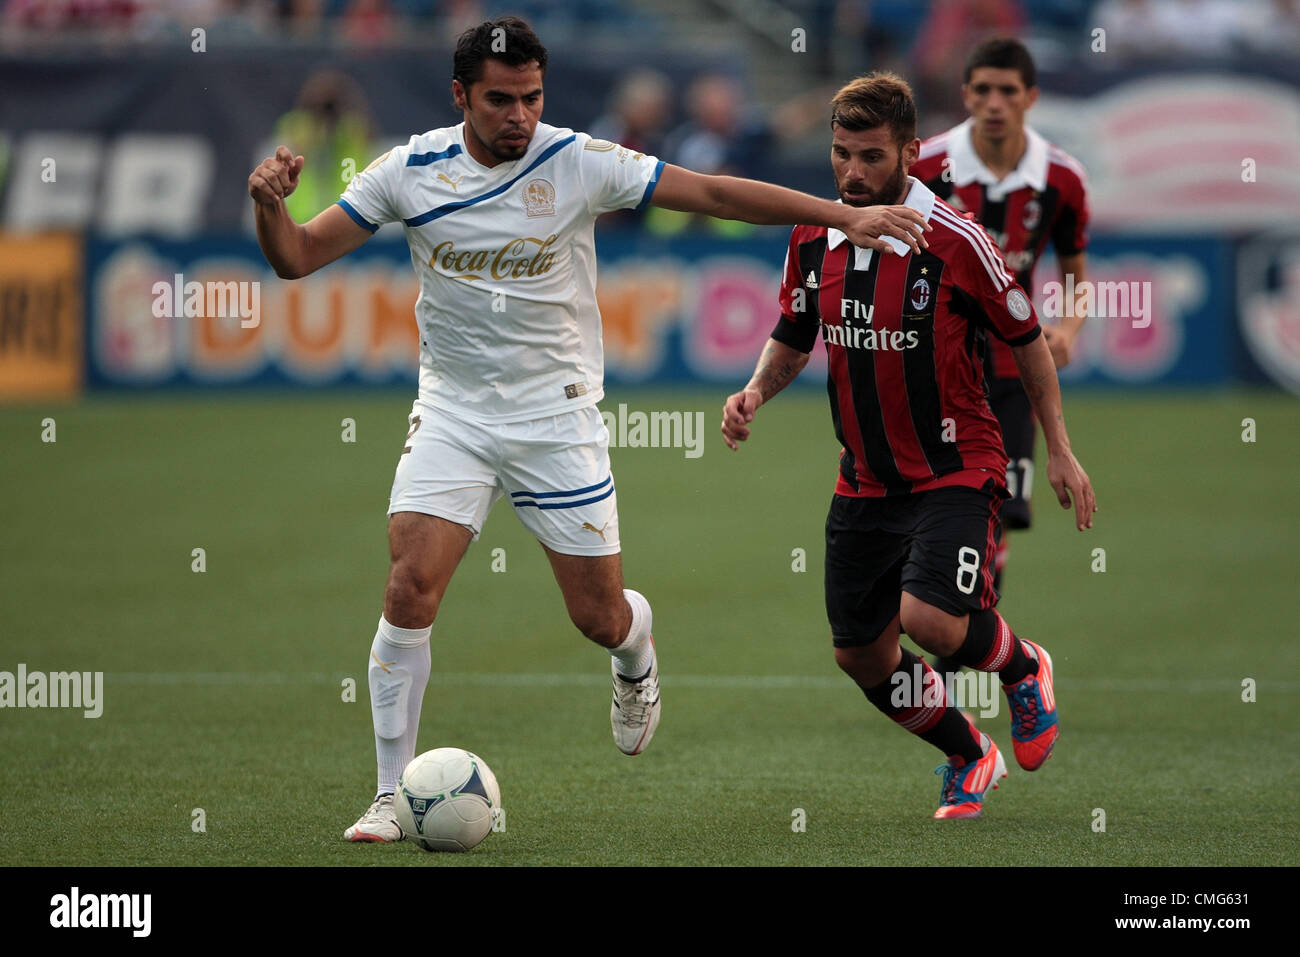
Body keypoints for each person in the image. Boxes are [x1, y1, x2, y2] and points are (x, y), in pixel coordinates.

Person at [247, 17, 930, 842]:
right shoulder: (408, 171)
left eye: (532, 97)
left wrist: (839, 216)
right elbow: (295, 258)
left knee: (597, 615)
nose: (520, 116)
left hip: (556, 418)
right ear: (461, 95)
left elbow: (711, 192)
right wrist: (268, 209)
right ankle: (391, 795)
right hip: (453, 412)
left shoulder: (576, 160)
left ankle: (634, 651)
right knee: (407, 586)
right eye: (500, 99)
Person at [721, 71, 1096, 818]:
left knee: (928, 619)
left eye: (869, 156)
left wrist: (1058, 446)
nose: (852, 174)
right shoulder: (812, 232)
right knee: (860, 654)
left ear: (909, 153)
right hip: (864, 478)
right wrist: (756, 389)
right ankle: (968, 752)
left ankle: (1023, 667)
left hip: (958, 464)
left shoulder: (958, 242)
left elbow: (1027, 344)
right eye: (840, 155)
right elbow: (797, 332)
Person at [909, 37, 1090, 682]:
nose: (993, 103)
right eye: (981, 90)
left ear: (1030, 99)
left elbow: (1074, 272)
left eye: (1007, 91)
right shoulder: (927, 166)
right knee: (925, 497)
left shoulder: (1061, 178)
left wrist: (1067, 327)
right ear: (964, 95)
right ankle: (957, 633)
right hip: (932, 367)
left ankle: (959, 642)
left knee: (1000, 508)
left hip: (1011, 370)